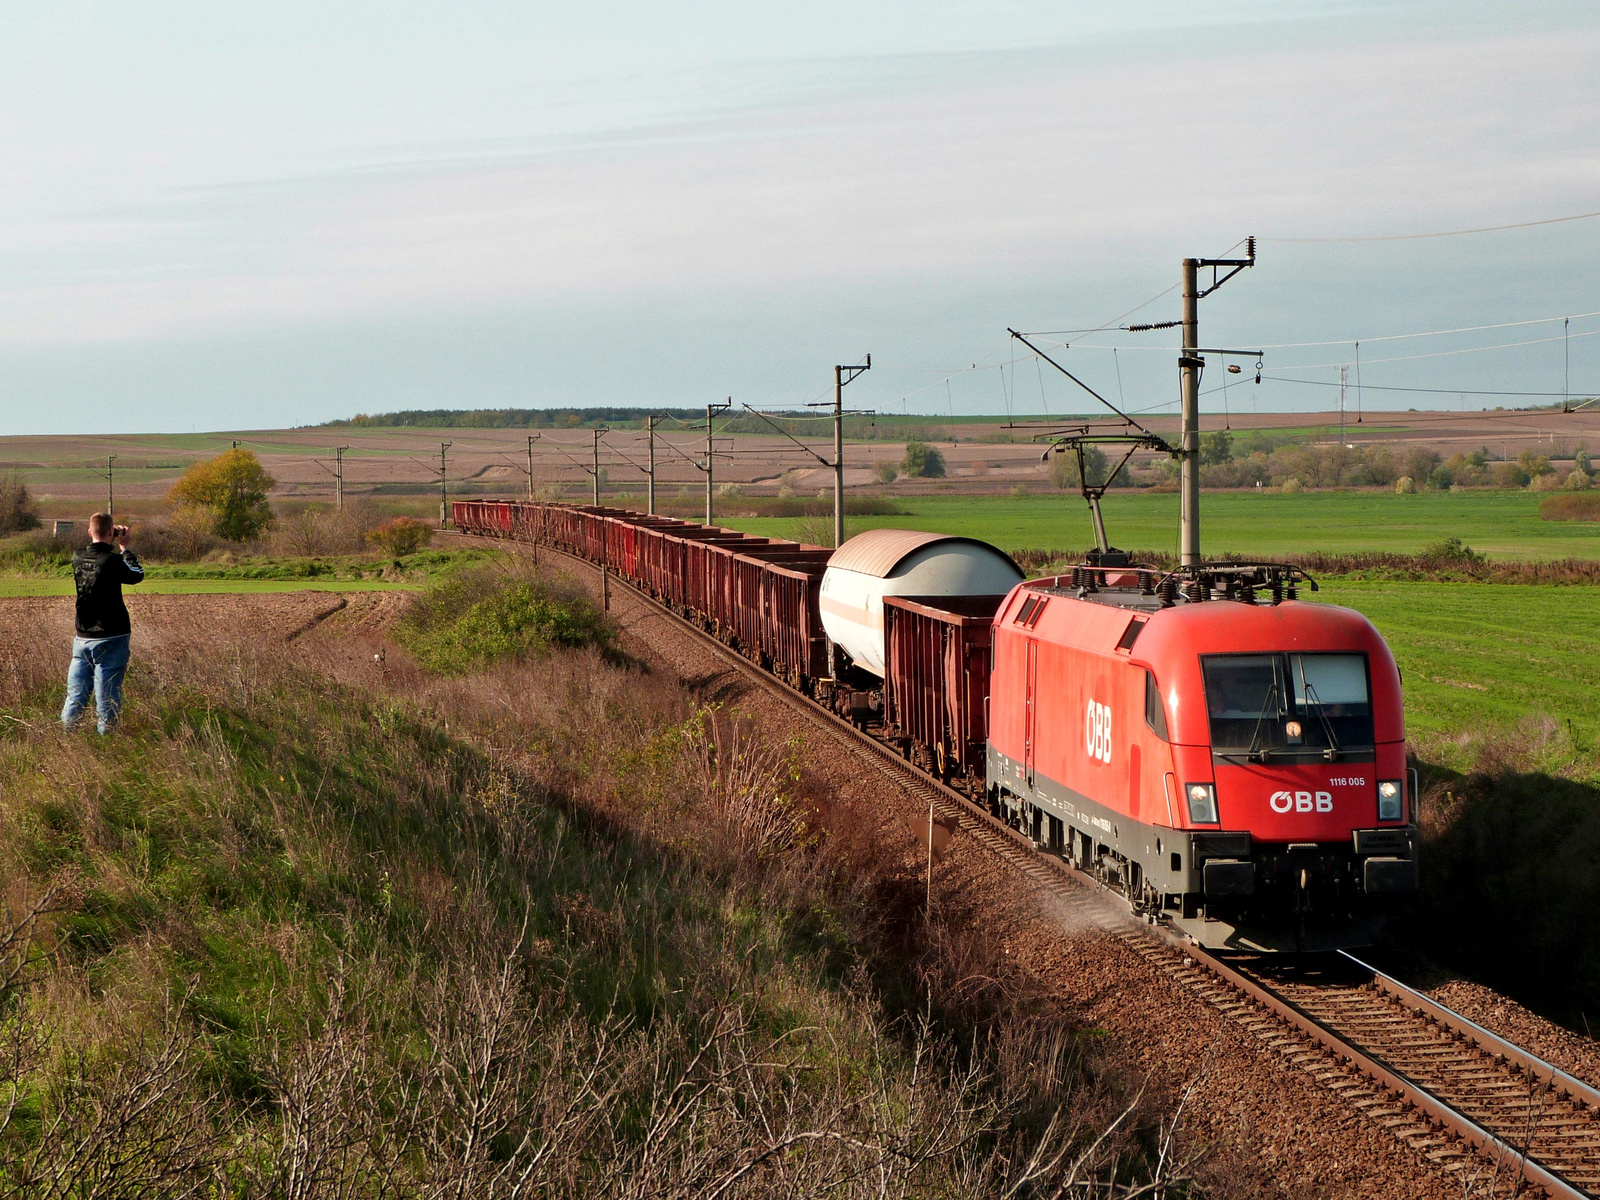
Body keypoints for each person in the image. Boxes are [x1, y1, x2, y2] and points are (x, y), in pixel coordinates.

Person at [62, 513, 144, 734]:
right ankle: (107, 740)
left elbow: (96, 548)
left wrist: (108, 537)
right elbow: (137, 575)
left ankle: (66, 737)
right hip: (112, 635)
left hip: (82, 635)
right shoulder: (112, 561)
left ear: (90, 532)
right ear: (111, 532)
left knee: (76, 694)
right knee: (106, 694)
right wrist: (124, 547)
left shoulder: (78, 557)